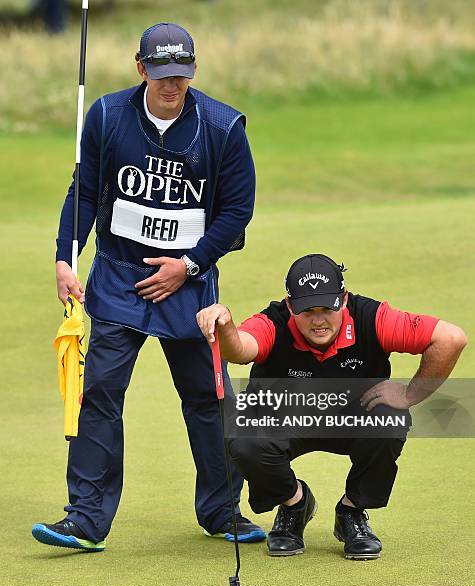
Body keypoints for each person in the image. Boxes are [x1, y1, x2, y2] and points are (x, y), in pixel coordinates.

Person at [32, 22, 265, 552]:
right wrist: (66, 257)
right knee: (100, 396)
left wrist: (190, 264)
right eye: (161, 75)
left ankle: (222, 510)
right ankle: (86, 520)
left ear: (194, 71)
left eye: (181, 75)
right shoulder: (109, 115)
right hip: (117, 280)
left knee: (208, 397)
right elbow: (84, 192)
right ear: (141, 69)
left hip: (188, 286)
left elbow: (237, 212)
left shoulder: (224, 127)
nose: (171, 85)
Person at [196, 253, 467, 559]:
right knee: (244, 436)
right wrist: (226, 324)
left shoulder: (372, 317)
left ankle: (352, 512)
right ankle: (295, 504)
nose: (319, 320)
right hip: (286, 417)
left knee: (390, 419)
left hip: (354, 418)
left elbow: (451, 338)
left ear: (344, 299)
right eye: (307, 311)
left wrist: (409, 395)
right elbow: (241, 350)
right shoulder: (272, 322)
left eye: (327, 308)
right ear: (290, 305)